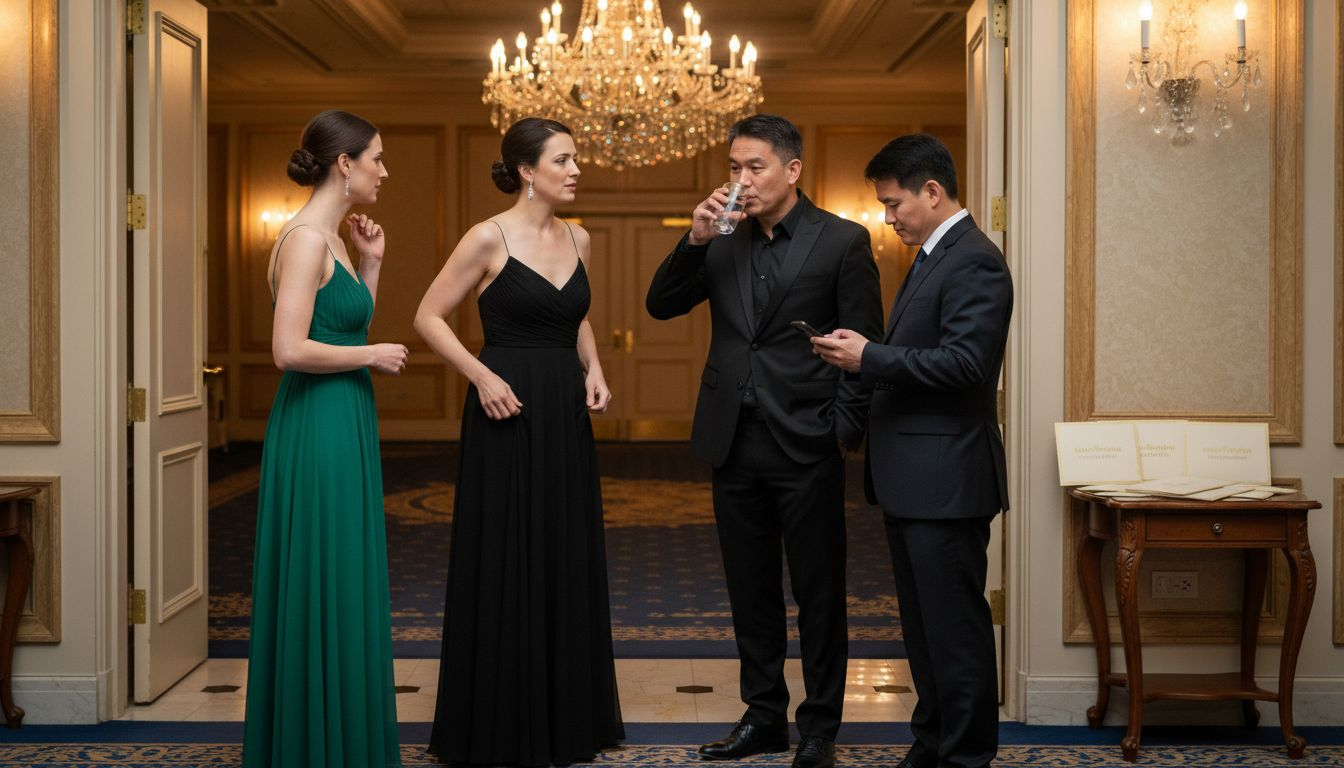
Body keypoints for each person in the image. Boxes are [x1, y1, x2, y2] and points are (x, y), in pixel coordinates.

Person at [645, 114, 883, 768]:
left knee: (819, 592)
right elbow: (660, 305)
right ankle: (764, 716)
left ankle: (820, 728)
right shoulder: (721, 237)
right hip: (732, 438)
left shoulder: (842, 241)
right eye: (734, 167)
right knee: (749, 589)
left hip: (807, 440)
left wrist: (841, 432)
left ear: (792, 170)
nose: (740, 181)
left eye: (754, 167)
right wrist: (693, 241)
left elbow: (865, 347)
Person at [415, 117, 624, 767]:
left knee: (564, 550)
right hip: (504, 410)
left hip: (564, 409)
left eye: (576, 158)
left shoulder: (579, 237)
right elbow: (427, 316)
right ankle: (501, 721)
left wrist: (595, 367)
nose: (575, 169)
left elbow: (578, 317)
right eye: (563, 160)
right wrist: (480, 376)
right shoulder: (487, 236)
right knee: (507, 553)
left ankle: (567, 718)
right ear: (527, 170)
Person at [811, 133, 1012, 768]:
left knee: (954, 633)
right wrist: (867, 352)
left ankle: (966, 756)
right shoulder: (933, 256)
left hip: (946, 479)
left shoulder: (975, 259)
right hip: (914, 479)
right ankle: (932, 744)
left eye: (894, 203)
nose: (888, 216)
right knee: (924, 633)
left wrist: (868, 356)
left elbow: (966, 364)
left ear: (932, 191)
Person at [243, 109, 407, 768]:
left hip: (344, 418)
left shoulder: (335, 240)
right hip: (317, 426)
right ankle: (316, 748)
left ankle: (343, 743)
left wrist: (371, 267)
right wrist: (371, 359)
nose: (384, 171)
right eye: (377, 158)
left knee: (345, 577)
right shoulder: (307, 239)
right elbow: (288, 350)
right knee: (325, 574)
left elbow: (342, 327)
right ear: (345, 163)